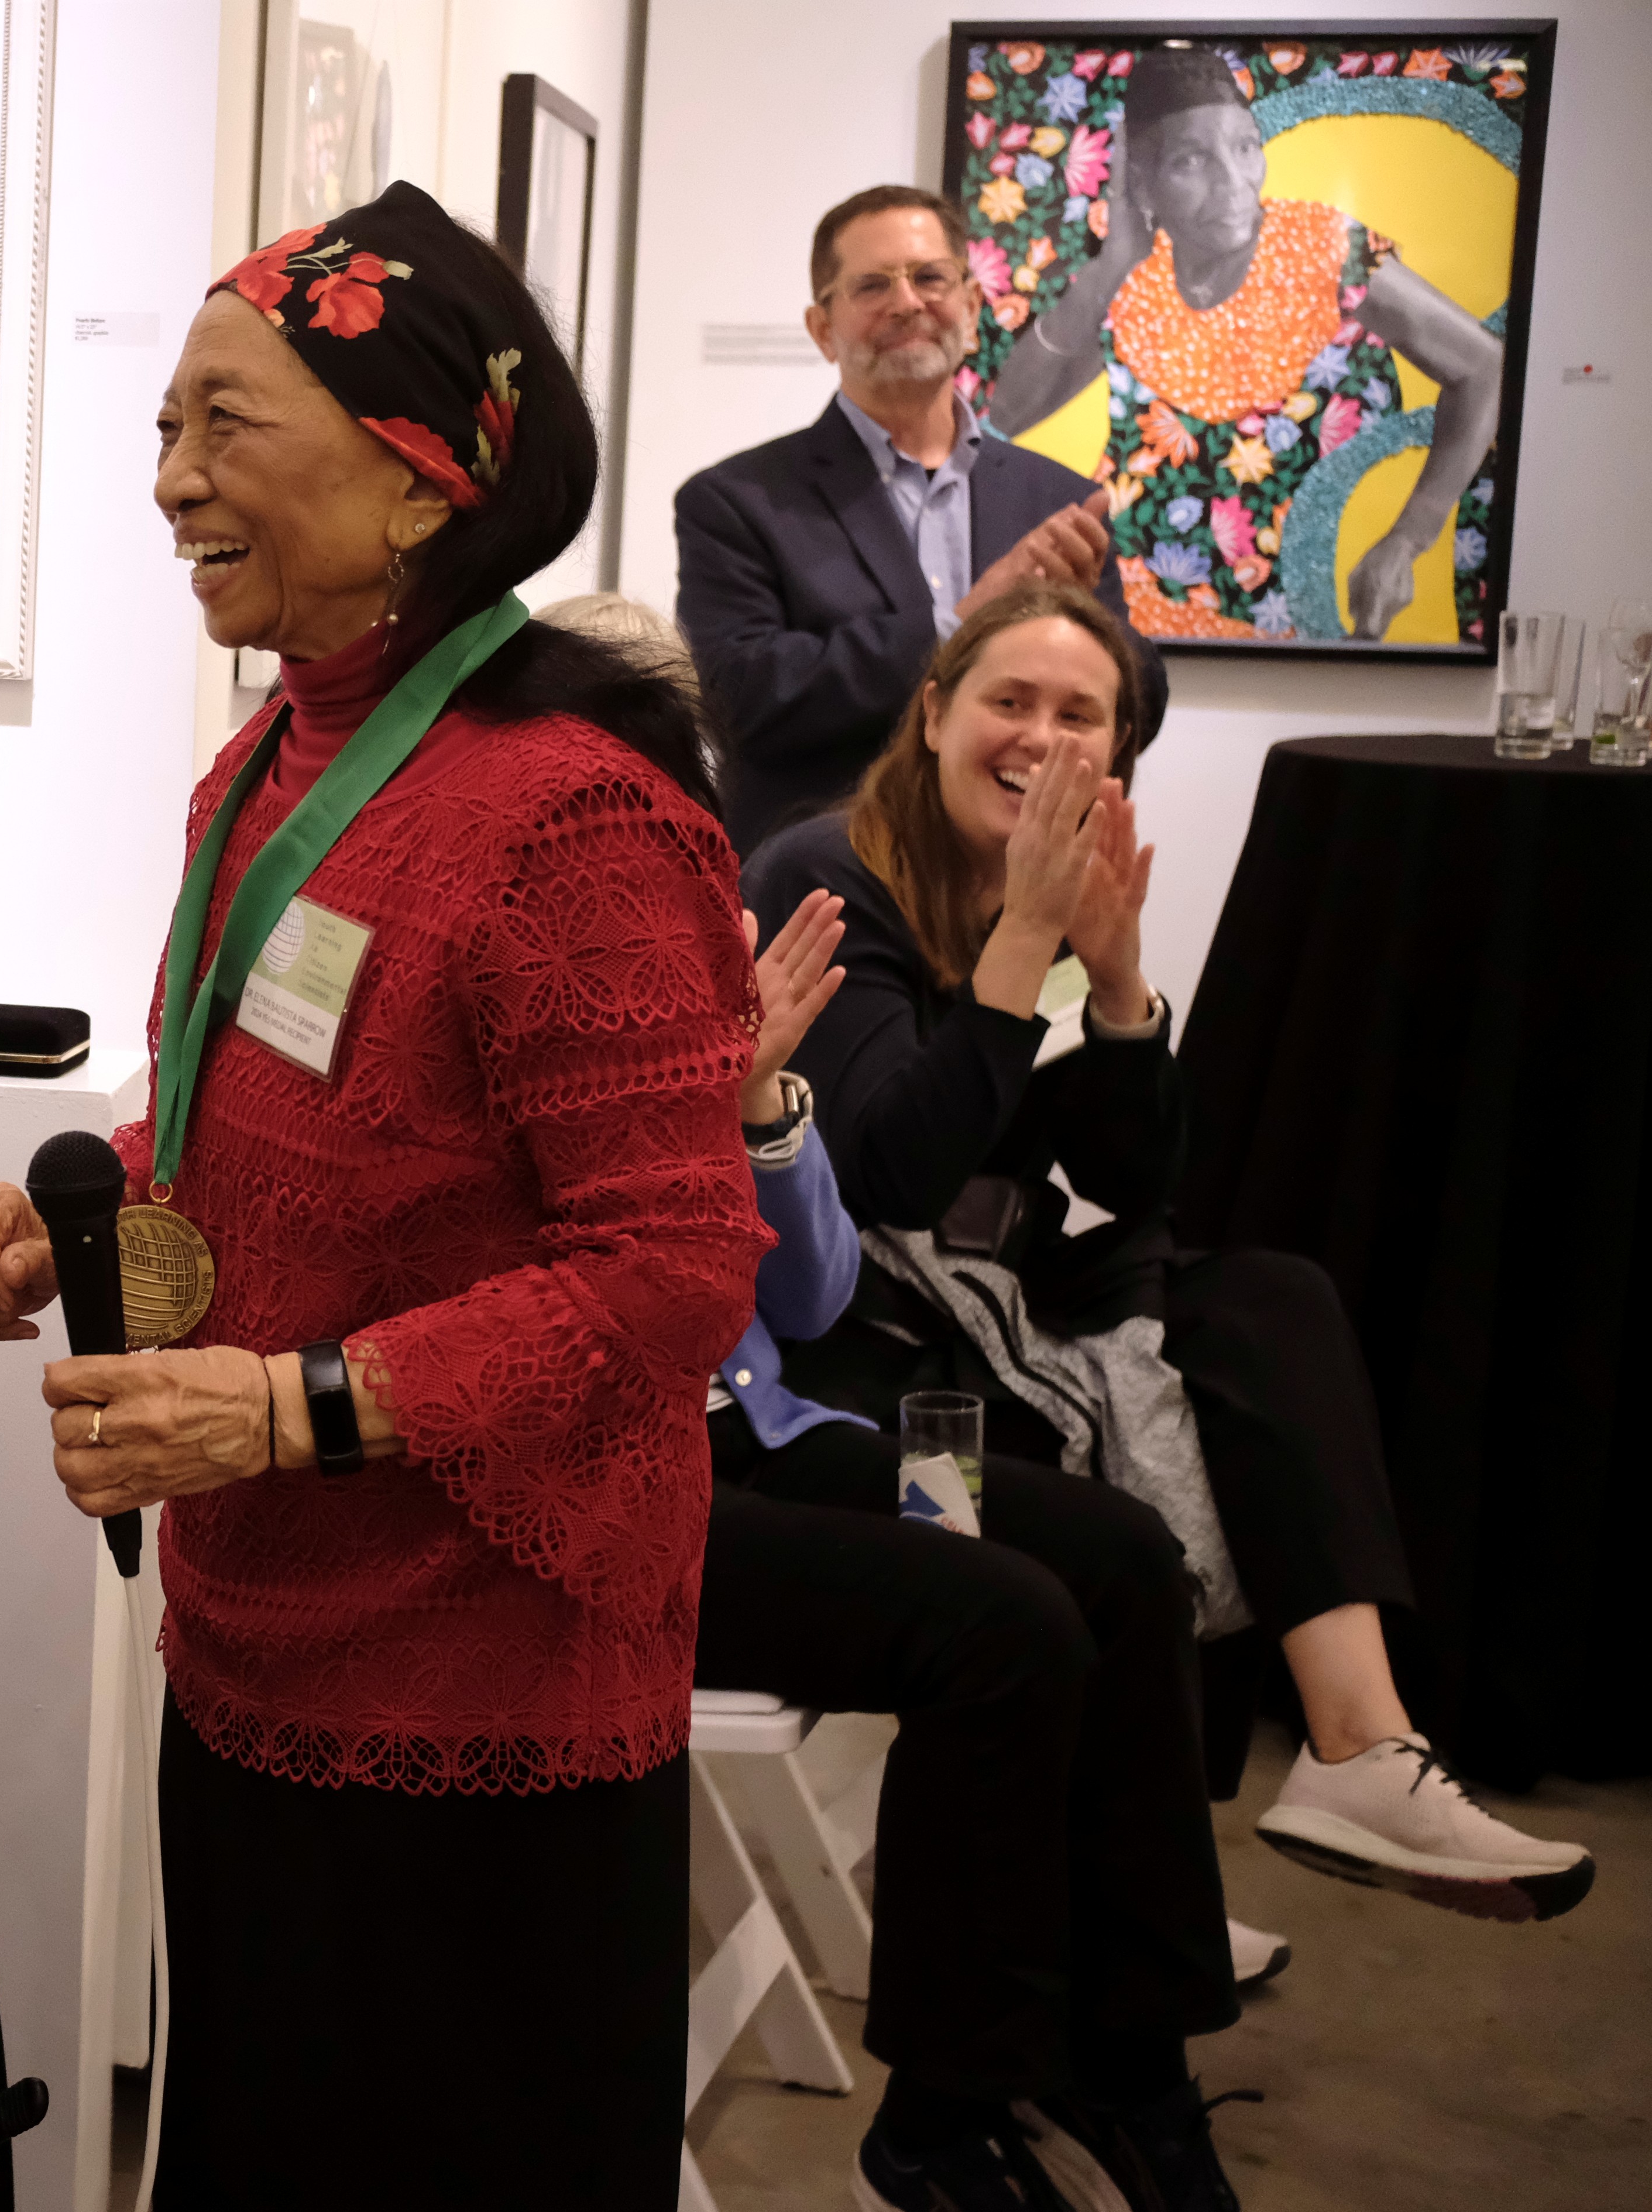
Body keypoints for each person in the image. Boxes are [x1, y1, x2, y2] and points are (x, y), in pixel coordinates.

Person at [0, 183, 766, 2212]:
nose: (167, 480)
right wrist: (84, 1200)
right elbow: (267, 1111)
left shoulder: (570, 815)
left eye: (223, 423)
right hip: (258, 1655)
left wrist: (288, 1408)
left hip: (481, 1703)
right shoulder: (268, 759)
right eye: (162, 424)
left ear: (416, 480)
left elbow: (672, 1272)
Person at [743, 579, 1595, 1928]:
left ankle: (1361, 1745)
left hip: (992, 1292)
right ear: (934, 713)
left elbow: (1131, 1181)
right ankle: (1130, 1881)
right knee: (1103, 1484)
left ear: (1119, 752)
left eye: (1081, 715)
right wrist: (1027, 944)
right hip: (848, 1348)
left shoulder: (1050, 886)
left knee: (1271, 1301)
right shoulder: (827, 876)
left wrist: (1121, 985)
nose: (1041, 737)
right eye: (1009, 700)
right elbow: (883, 1176)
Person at [712, 880, 1278, 2212]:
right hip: (652, 1491)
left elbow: (813, 1292)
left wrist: (761, 1105)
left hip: (791, 1427)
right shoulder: (828, 880)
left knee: (1125, 1556)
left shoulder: (729, 970)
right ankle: (941, 2126)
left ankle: (1127, 2065)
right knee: (1003, 1621)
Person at [674, 184, 1167, 850]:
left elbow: (1138, 707)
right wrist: (961, 624)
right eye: (872, 285)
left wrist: (1089, 636)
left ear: (972, 305)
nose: (907, 303)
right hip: (823, 877)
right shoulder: (736, 501)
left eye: (930, 277)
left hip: (1018, 877)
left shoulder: (1061, 500)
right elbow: (740, 699)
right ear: (823, 330)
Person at [979, 46, 1505, 645]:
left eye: (1245, 148)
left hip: (1293, 636)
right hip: (1122, 626)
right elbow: (1007, 415)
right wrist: (1111, 264)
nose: (1233, 184)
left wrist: (1408, 540)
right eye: (1192, 160)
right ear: (1142, 184)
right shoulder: (1136, 277)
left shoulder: (1321, 247)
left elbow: (1484, 368)